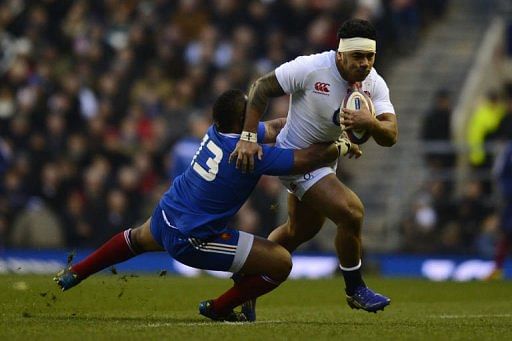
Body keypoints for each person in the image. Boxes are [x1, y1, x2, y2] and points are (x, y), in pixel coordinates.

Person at [54, 89, 360, 322]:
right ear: (242, 122)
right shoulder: (248, 153)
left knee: (134, 239)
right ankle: (219, 308)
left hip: (167, 213)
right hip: (193, 238)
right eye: (250, 111)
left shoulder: (219, 132)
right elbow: (307, 160)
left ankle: (76, 272)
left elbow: (279, 126)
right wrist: (342, 143)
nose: (256, 114)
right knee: (281, 263)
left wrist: (317, 124)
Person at [230, 18, 397, 314]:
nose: (365, 64)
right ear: (340, 53)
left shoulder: (374, 82)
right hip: (294, 157)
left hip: (323, 160)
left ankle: (246, 282)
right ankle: (355, 288)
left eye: (370, 56)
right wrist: (247, 137)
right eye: (357, 57)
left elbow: (390, 135)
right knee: (351, 211)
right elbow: (261, 87)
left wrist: (370, 123)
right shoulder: (311, 68)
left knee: (299, 231)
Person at [486, 140, 512, 280]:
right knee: (507, 233)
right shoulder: (509, 149)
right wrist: (507, 191)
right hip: (511, 200)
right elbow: (500, 173)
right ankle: (497, 269)